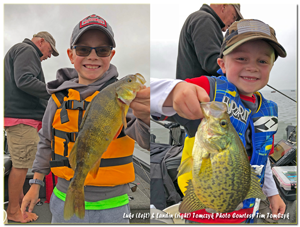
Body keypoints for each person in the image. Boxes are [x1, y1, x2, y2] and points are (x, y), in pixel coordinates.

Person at [151, 19, 286, 224]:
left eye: (262, 61)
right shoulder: (208, 90)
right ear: (222, 64)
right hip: (204, 213)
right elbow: (146, 95)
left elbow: (262, 158)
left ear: (271, 66)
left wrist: (272, 193)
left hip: (245, 214)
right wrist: (174, 90)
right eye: (241, 58)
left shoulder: (269, 110)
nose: (252, 67)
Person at [20, 14, 150, 224]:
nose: (93, 56)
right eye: (83, 49)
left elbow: (146, 141)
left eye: (102, 50)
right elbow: (45, 142)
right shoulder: (58, 99)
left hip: (114, 205)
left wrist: (146, 117)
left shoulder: (126, 103)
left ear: (111, 55)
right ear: (71, 55)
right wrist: (36, 184)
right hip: (63, 197)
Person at [4, 31, 59, 223]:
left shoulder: (20, 51)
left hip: (17, 117)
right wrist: (55, 91)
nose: (49, 56)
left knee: (20, 162)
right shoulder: (28, 50)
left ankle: (18, 202)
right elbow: (25, 80)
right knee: (21, 165)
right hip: (22, 119)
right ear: (41, 41)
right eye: (50, 51)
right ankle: (13, 212)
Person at [176, 4, 243, 80]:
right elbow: (212, 63)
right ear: (223, 7)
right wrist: (242, 71)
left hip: (192, 89)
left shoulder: (201, 18)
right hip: (199, 90)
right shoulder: (205, 19)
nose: (233, 23)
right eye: (234, 17)